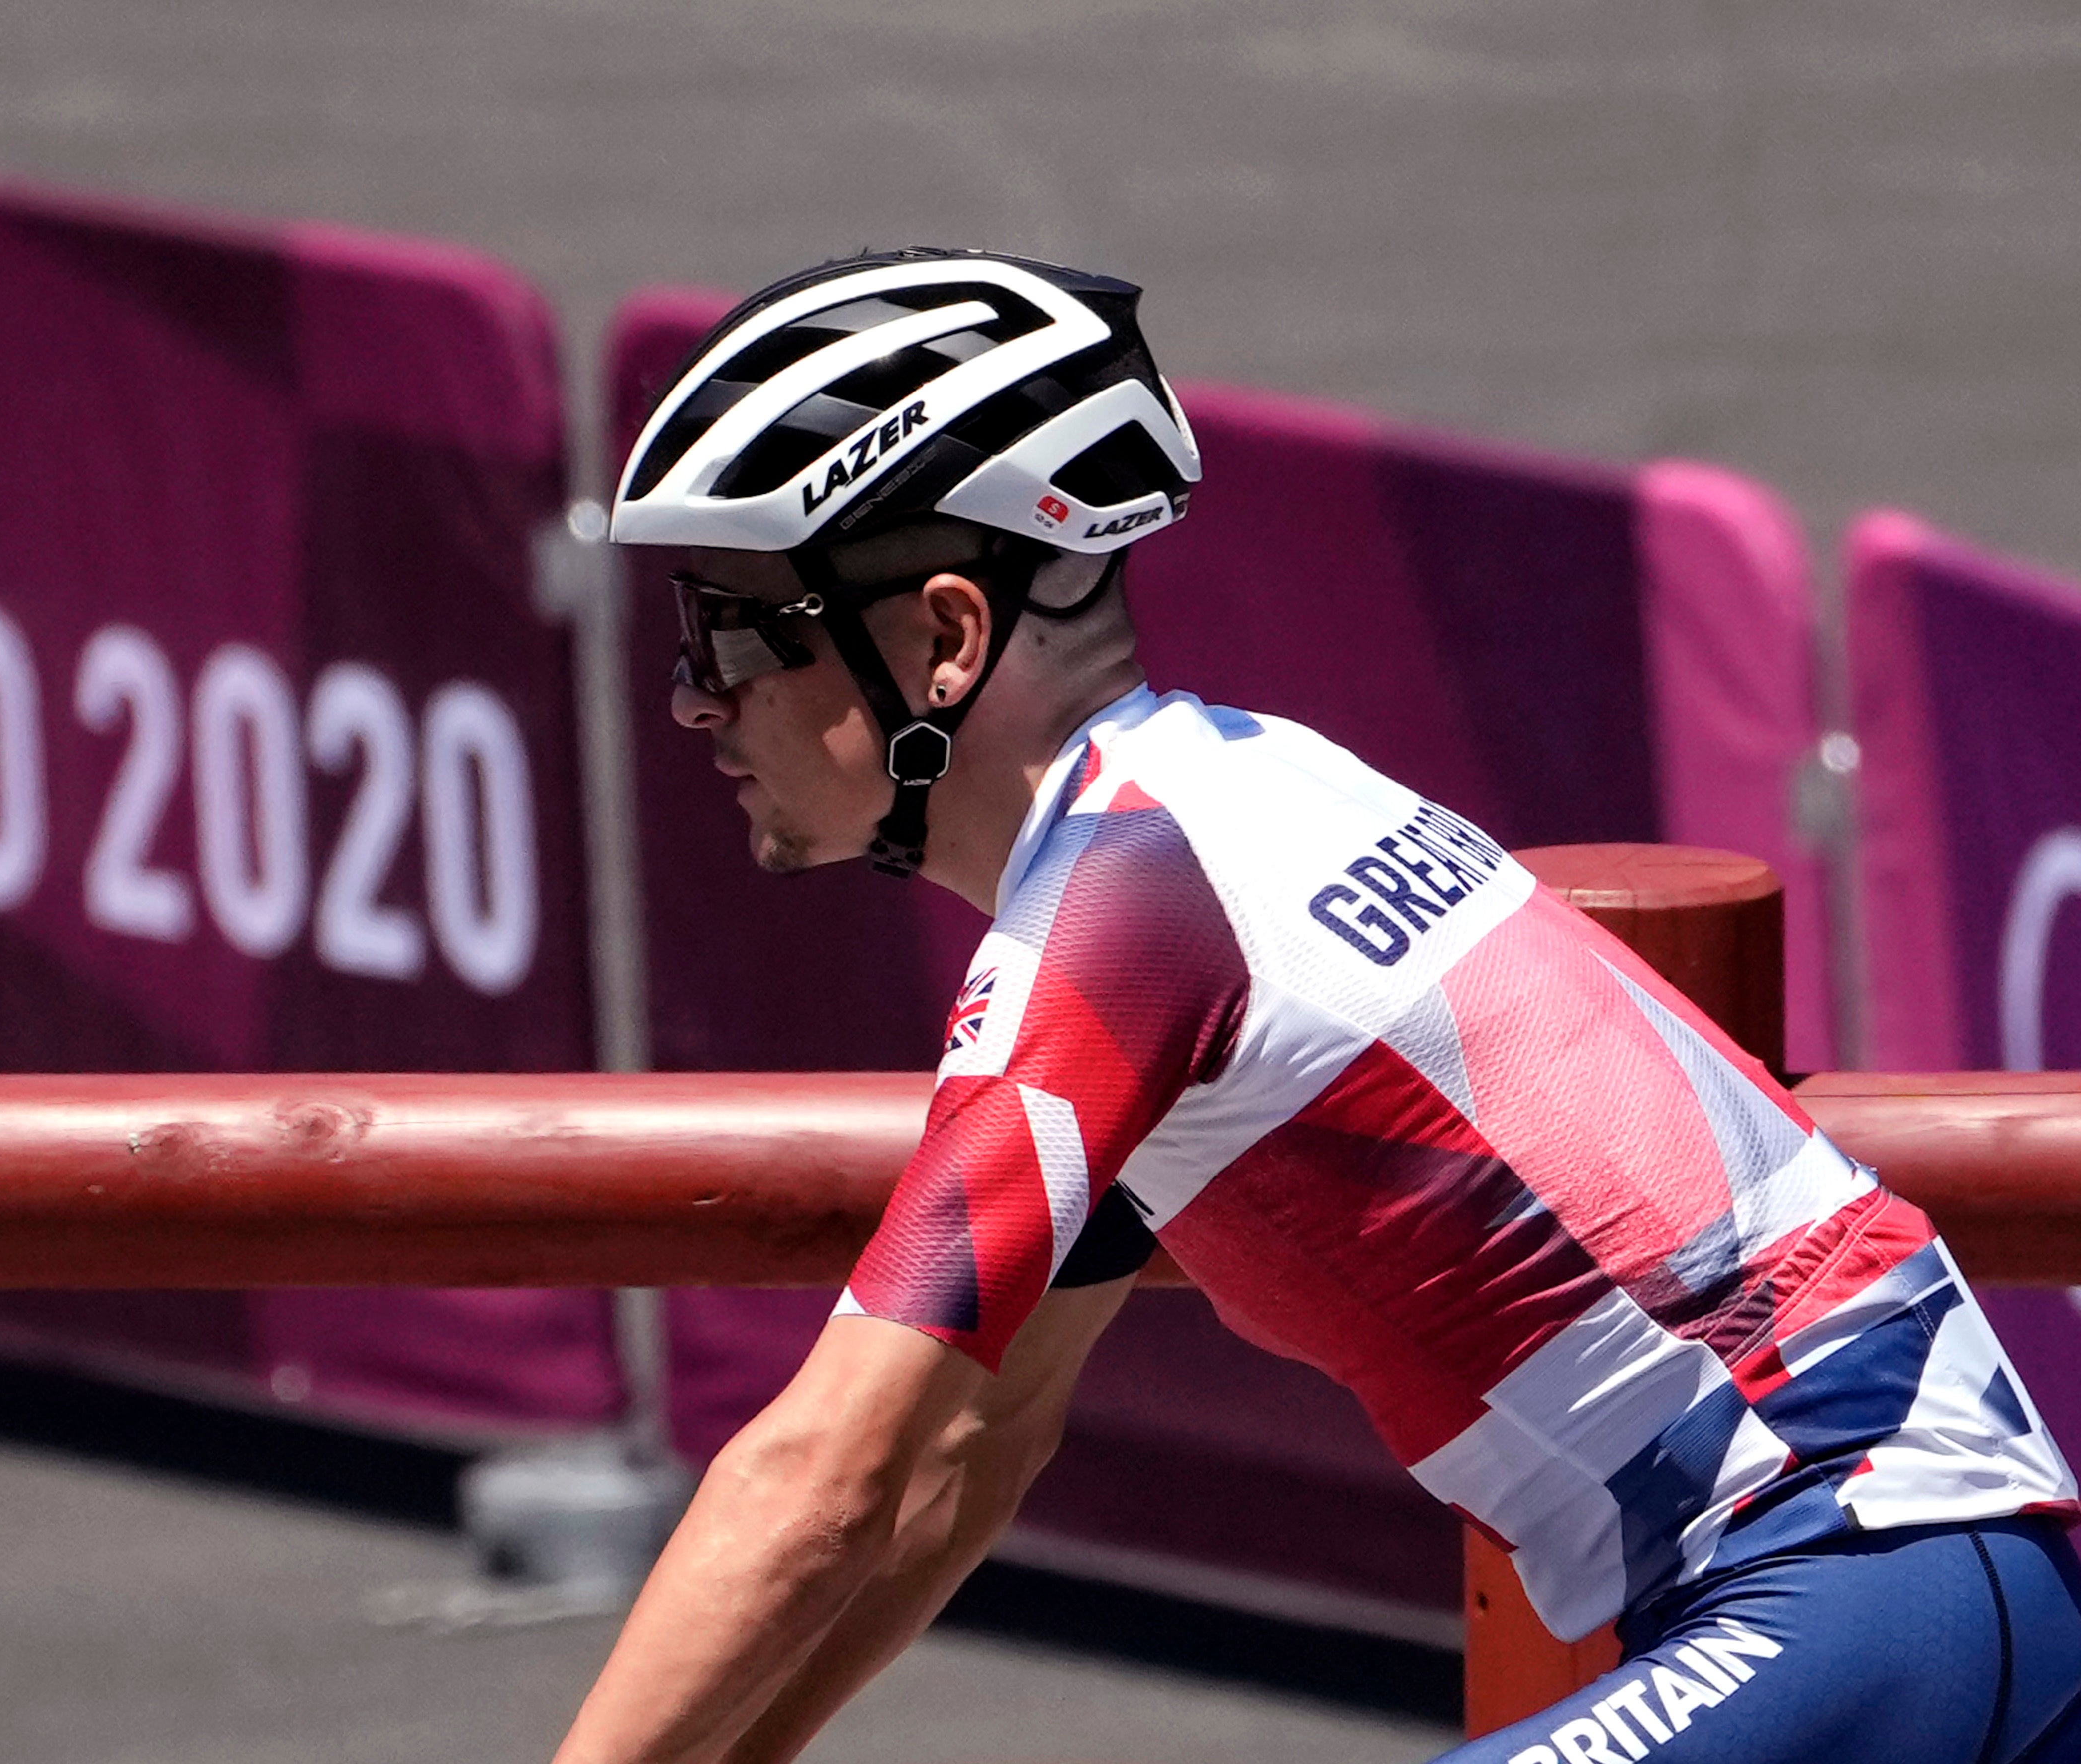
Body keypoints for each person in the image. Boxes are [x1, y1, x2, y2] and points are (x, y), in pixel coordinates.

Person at [551, 248, 2081, 1764]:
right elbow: (959, 1453)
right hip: (1914, 1583)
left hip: (1866, 1576)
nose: (695, 695)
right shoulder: (1228, 794)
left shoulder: (1129, 904)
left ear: (946, 638)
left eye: (738, 632)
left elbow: (820, 1479)